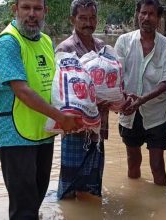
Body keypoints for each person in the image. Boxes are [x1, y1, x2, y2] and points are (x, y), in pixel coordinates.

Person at [0, 0, 81, 218]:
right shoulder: (8, 42)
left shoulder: (46, 41)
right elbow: (22, 91)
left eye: (37, 9)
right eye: (26, 8)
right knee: (24, 207)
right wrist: (61, 117)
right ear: (15, 10)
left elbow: (56, 85)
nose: (32, 14)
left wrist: (77, 110)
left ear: (45, 11)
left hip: (43, 132)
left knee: (36, 198)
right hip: (14, 134)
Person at [114, 0, 166, 186]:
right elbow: (115, 76)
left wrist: (141, 100)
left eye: (151, 14)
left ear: (158, 18)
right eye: (143, 13)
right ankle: (135, 199)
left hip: (156, 114)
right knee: (133, 161)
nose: (146, 17)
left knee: (157, 165)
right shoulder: (123, 42)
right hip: (129, 112)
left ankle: (161, 207)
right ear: (137, 15)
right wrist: (122, 102)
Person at [55, 0, 108, 200]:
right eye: (83, 18)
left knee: (92, 184)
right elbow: (59, 93)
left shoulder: (102, 47)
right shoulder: (65, 49)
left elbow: (110, 84)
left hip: (98, 126)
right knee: (69, 183)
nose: (88, 23)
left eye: (92, 17)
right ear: (73, 19)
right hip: (74, 128)